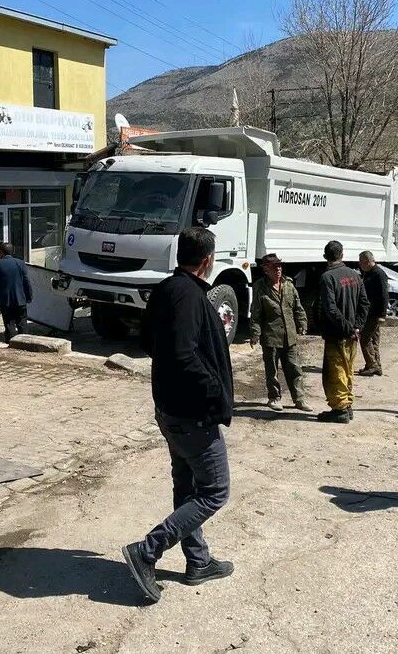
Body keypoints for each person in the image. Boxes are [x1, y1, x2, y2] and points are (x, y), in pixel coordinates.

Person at [122, 227, 233, 604]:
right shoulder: (187, 296)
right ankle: (147, 550)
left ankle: (198, 561)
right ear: (207, 260)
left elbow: (148, 342)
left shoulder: (166, 289)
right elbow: (184, 354)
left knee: (187, 487)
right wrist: (214, 390)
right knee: (215, 491)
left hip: (170, 409)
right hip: (191, 415)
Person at [315, 241, 370, 424]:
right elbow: (364, 304)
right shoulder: (355, 275)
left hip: (336, 334)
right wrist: (356, 327)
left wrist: (347, 328)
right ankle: (347, 406)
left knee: (336, 372)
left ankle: (339, 409)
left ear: (325, 257)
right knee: (348, 371)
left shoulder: (327, 277)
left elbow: (330, 309)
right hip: (352, 335)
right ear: (342, 255)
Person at [250, 253, 311, 412]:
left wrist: (302, 323)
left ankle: (299, 399)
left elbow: (298, 307)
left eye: (279, 266)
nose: (278, 269)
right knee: (272, 371)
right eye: (273, 267)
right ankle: (274, 398)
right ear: (265, 269)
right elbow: (256, 313)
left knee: (295, 368)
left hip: (289, 336)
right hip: (271, 336)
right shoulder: (260, 287)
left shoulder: (289, 284)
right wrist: (255, 334)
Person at [0, 243, 33, 342]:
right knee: (22, 323)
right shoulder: (20, 263)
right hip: (20, 299)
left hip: (5, 301)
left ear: (1, 253)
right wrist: (29, 295)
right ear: (12, 251)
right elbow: (26, 281)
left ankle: (11, 343)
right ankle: (24, 343)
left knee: (9, 323)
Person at [357, 251, 389, 376]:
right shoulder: (368, 273)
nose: (360, 264)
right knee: (374, 340)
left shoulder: (378, 274)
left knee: (365, 338)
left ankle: (372, 365)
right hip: (370, 312)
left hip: (375, 313)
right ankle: (376, 365)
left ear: (367, 261)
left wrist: (382, 315)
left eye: (361, 262)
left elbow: (384, 295)